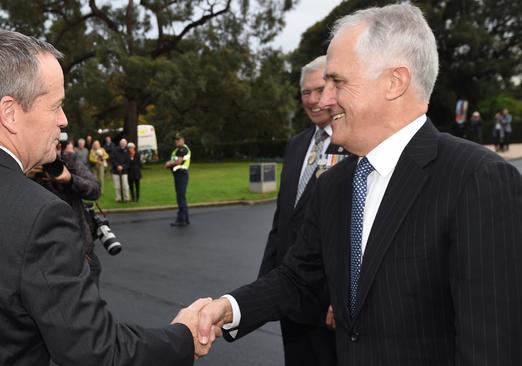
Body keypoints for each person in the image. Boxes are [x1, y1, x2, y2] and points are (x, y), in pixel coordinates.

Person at [197, 4, 522, 366]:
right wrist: (227, 308)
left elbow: (492, 347)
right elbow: (299, 280)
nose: (323, 100)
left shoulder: (476, 180)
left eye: (338, 82)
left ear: (394, 82)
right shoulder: (335, 184)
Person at [0, 29, 215, 365]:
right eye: (56, 106)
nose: (64, 121)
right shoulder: (40, 215)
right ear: (9, 113)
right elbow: (99, 352)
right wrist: (182, 336)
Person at [257, 55, 347, 366]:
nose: (312, 100)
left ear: (335, 89)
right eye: (305, 92)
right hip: (291, 295)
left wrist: (343, 296)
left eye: (319, 90)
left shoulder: (355, 145)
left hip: (330, 302)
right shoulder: (296, 146)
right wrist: (264, 287)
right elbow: (282, 220)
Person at [28, 139, 102, 281]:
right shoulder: (27, 168)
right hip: (47, 255)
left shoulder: (70, 161)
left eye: (54, 148)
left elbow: (95, 190)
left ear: (59, 147)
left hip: (82, 249)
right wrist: (26, 176)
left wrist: (70, 180)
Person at [165, 133, 191, 227]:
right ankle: (185, 218)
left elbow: (178, 161)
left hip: (181, 174)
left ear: (183, 140)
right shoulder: (177, 150)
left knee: (180, 198)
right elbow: (174, 160)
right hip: (179, 175)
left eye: (178, 139)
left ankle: (181, 220)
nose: (176, 141)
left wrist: (169, 164)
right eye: (175, 140)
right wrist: (170, 163)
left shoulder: (183, 149)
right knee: (182, 197)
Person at [110, 138, 130, 202]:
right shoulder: (115, 150)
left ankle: (126, 198)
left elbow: (128, 162)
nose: (123, 144)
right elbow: (112, 159)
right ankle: (118, 198)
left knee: (125, 186)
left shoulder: (127, 151)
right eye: (122, 143)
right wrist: (117, 166)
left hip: (124, 171)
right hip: (115, 171)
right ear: (120, 143)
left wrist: (122, 167)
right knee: (117, 186)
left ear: (126, 144)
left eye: (124, 143)